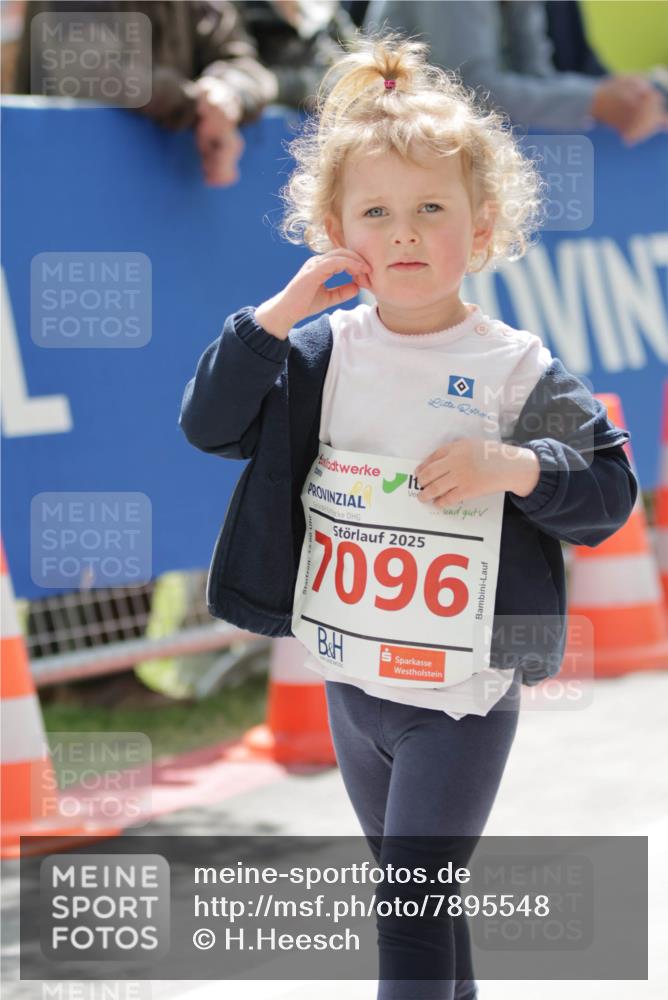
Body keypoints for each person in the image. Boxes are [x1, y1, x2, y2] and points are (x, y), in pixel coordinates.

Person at [178, 32, 637, 1000]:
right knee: (423, 906)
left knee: (408, 908)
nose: (404, 234)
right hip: (352, 681)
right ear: (336, 229)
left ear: (481, 226)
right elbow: (208, 426)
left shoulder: (515, 368)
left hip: (458, 695)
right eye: (376, 213)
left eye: (431, 209)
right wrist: (278, 312)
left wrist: (510, 465)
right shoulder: (319, 351)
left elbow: (606, 492)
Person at [14, 1, 278, 186]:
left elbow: (245, 66)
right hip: (65, 185)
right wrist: (200, 105)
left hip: (167, 202)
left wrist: (227, 96)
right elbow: (93, 72)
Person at [364, 0, 668, 144]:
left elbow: (538, 76)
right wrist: (594, 101)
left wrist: (620, 95)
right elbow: (470, 92)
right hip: (403, 149)